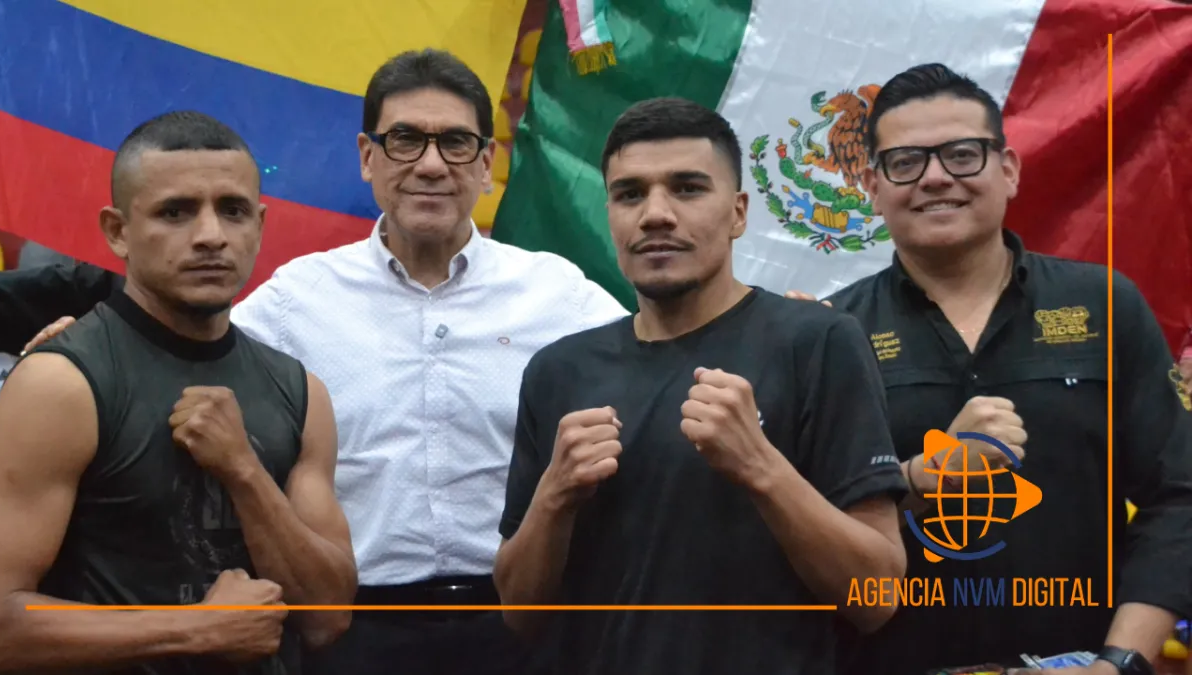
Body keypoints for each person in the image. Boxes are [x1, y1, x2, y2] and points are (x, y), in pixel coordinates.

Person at [0, 49, 629, 674]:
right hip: (354, 632)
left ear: (486, 162)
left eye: (457, 143)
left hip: (524, 625)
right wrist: (74, 353)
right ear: (366, 157)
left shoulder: (563, 295)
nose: (431, 164)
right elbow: (175, 344)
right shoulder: (293, 302)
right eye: (404, 139)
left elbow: (656, 368)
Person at [790, 63, 1192, 675]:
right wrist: (917, 479)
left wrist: (1120, 662)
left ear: (1008, 170)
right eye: (905, 162)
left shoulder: (1104, 305)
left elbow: (1178, 497)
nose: (934, 178)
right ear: (872, 185)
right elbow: (804, 529)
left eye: (961, 154)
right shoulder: (831, 334)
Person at [491, 97, 910, 675]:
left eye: (687, 188)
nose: (655, 214)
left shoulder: (818, 343)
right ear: (609, 212)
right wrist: (554, 497)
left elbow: (879, 598)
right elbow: (518, 612)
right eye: (630, 193)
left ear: (738, 212)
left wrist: (760, 465)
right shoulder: (559, 370)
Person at [0, 111, 358, 674]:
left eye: (232, 210)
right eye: (175, 212)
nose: (211, 235)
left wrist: (244, 471)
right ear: (117, 231)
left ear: (259, 226)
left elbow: (328, 616)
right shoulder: (61, 385)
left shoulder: (299, 391)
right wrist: (196, 630)